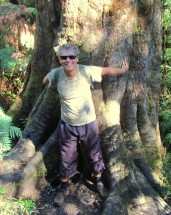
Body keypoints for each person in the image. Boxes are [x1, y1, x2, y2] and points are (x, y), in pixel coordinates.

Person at [43, 43, 129, 207]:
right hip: (67, 125)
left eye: (71, 57)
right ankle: (64, 186)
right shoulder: (56, 74)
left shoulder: (85, 71)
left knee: (94, 153)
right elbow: (46, 77)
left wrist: (122, 71)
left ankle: (98, 181)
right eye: (64, 57)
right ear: (59, 59)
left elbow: (104, 70)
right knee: (66, 156)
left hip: (88, 124)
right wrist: (44, 80)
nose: (68, 60)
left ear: (77, 58)